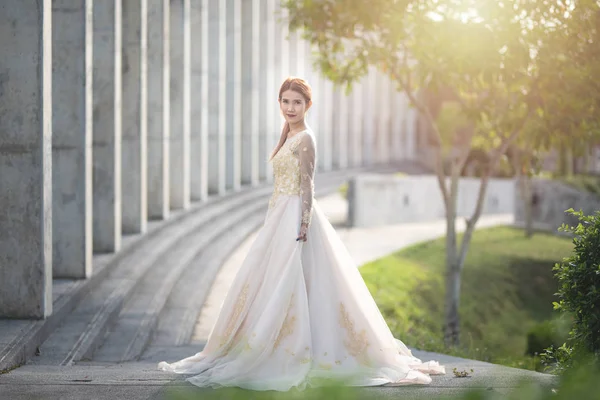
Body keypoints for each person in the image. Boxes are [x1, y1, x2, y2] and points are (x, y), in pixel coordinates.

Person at [157, 77, 445, 391]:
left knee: (297, 280)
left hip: (296, 215)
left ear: (308, 105)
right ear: (279, 103)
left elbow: (307, 184)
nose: (290, 107)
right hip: (279, 213)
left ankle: (300, 349)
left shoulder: (305, 138)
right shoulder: (287, 135)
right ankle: (254, 344)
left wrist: (303, 222)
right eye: (285, 101)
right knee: (267, 280)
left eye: (297, 102)